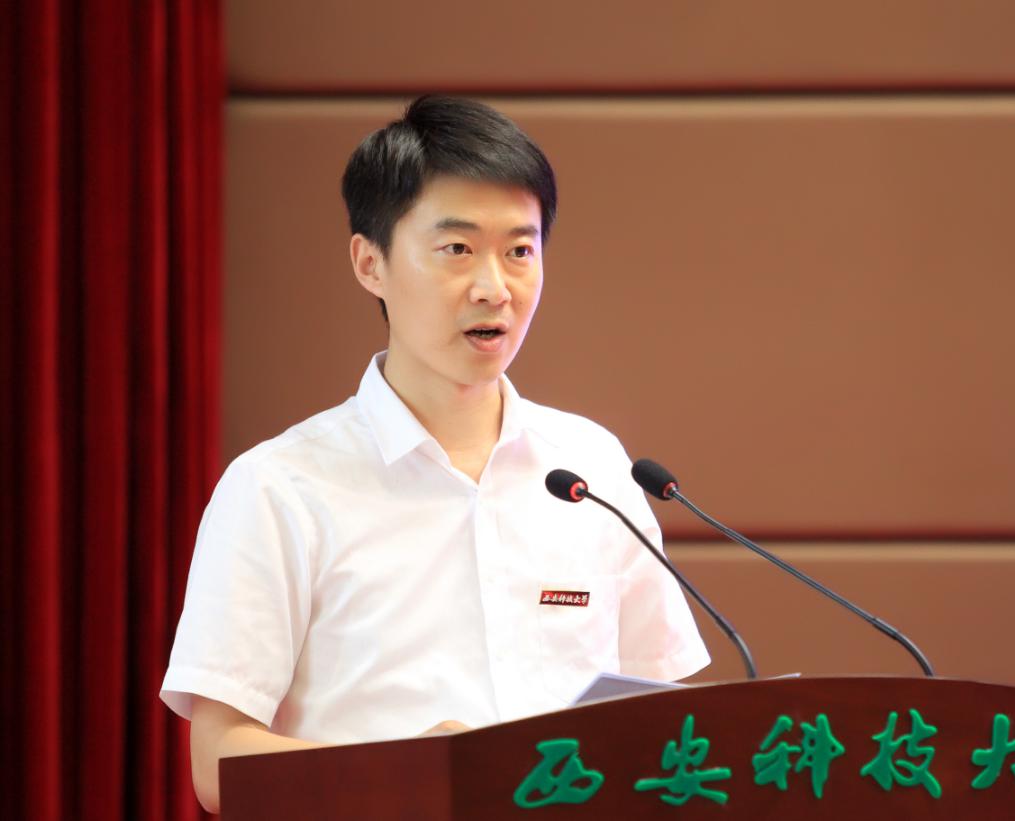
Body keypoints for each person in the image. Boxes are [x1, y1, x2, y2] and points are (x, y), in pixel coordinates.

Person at [160, 95, 709, 813]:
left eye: (519, 251)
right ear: (370, 263)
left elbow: (664, 714)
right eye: (457, 250)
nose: (494, 288)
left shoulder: (593, 468)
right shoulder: (279, 487)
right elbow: (218, 760)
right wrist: (417, 772)